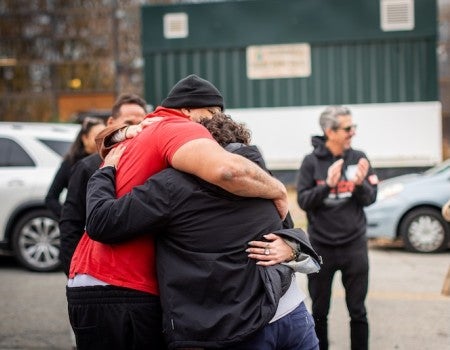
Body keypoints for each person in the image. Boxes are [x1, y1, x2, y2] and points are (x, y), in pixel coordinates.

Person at [66, 74, 289, 350]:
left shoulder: (145, 130)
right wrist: (278, 190)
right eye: (211, 112)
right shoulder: (183, 129)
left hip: (91, 282)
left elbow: (103, 139)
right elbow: (228, 170)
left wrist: (122, 133)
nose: (214, 122)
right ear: (187, 110)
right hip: (124, 286)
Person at [296, 106, 378, 350]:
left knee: (358, 311)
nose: (352, 132)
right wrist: (327, 186)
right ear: (329, 131)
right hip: (322, 249)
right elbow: (303, 200)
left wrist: (360, 184)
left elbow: (371, 197)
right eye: (347, 128)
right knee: (320, 312)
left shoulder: (359, 157)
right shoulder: (310, 163)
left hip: (354, 248)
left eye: (354, 127)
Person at [58, 93, 147, 276]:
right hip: (95, 272)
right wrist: (72, 272)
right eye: (129, 123)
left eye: (142, 123)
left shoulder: (151, 164)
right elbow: (71, 224)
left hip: (139, 275)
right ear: (111, 123)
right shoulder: (87, 167)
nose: (136, 129)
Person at [45, 117, 106, 219]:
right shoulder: (71, 163)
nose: (103, 141)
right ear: (85, 138)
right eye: (98, 137)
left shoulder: (110, 160)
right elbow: (51, 198)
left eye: (106, 136)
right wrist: (69, 218)